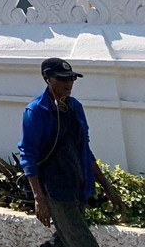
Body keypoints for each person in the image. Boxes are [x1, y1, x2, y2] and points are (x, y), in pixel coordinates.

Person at [19, 57, 123, 246]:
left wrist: (108, 188)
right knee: (82, 242)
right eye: (62, 79)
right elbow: (28, 155)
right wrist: (39, 198)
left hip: (78, 185)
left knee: (63, 241)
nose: (68, 84)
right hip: (55, 189)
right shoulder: (36, 111)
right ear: (47, 78)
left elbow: (85, 150)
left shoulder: (75, 107)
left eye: (71, 79)